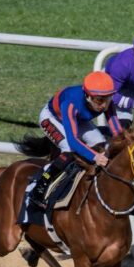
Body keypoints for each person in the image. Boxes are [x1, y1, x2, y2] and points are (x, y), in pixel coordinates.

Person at [27, 71, 122, 207]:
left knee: (100, 143)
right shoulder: (71, 102)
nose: (104, 105)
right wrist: (95, 157)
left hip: (78, 120)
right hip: (52, 118)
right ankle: (40, 185)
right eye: (99, 100)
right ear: (87, 96)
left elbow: (117, 131)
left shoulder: (106, 102)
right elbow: (73, 141)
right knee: (69, 150)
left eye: (108, 99)